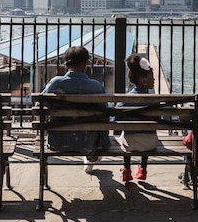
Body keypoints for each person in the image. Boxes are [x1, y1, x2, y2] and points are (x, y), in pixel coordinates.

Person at [42, 46, 110, 173]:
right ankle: (91, 154)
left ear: (66, 64)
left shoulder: (55, 83)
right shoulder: (95, 86)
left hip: (59, 141)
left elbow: (41, 106)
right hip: (89, 140)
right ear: (86, 63)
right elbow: (105, 112)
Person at [116, 53, 158, 183]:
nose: (154, 80)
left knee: (126, 134)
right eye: (152, 77)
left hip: (130, 145)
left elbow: (115, 120)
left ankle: (127, 169)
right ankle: (142, 168)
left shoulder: (125, 100)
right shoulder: (154, 101)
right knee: (146, 132)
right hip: (150, 144)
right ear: (144, 80)